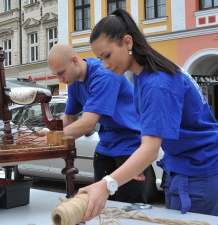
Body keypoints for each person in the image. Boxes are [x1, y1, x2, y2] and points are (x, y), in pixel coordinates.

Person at [78, 8, 218, 221]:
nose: (105, 65)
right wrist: (137, 163)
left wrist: (106, 185)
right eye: (100, 59)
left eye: (107, 56)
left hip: (198, 173)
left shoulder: (156, 83)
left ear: (127, 42)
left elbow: (151, 149)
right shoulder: (145, 75)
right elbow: (151, 135)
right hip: (183, 168)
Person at [46, 43, 149, 203]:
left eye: (61, 73)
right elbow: (70, 118)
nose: (60, 79)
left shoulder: (104, 75)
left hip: (130, 147)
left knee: (129, 208)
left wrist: (50, 139)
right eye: (56, 75)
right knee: (102, 205)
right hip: (105, 147)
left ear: (74, 60)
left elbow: (88, 124)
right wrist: (47, 133)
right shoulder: (73, 82)